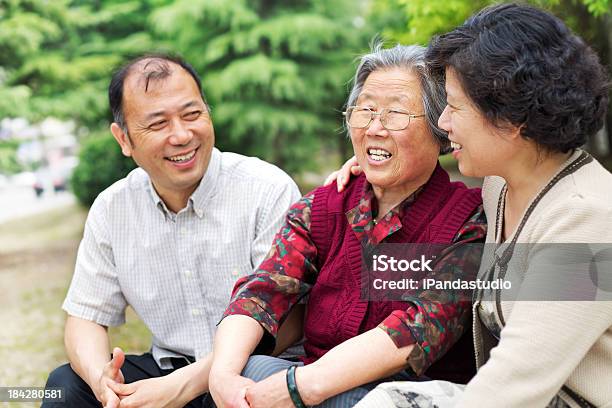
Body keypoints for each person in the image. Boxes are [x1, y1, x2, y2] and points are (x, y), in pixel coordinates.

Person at [334, 4, 612, 407]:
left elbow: (515, 386)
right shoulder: (502, 183)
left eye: (455, 106)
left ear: (512, 118)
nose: (443, 121)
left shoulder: (588, 220)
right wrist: (371, 162)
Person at [208, 44, 487, 408]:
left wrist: (297, 388)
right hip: (306, 384)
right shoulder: (324, 206)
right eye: (365, 110)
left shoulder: (468, 219)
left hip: (405, 397)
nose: (375, 128)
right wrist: (222, 375)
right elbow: (263, 291)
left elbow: (421, 325)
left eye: (396, 114)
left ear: (441, 129)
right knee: (251, 367)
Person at [43, 54, 301, 408]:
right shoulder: (112, 208)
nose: (181, 135)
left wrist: (184, 386)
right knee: (65, 385)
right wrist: (103, 381)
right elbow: (84, 317)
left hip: (252, 371)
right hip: (168, 371)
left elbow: (288, 321)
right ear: (123, 139)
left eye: (192, 114)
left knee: (258, 377)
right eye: (158, 124)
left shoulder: (266, 190)